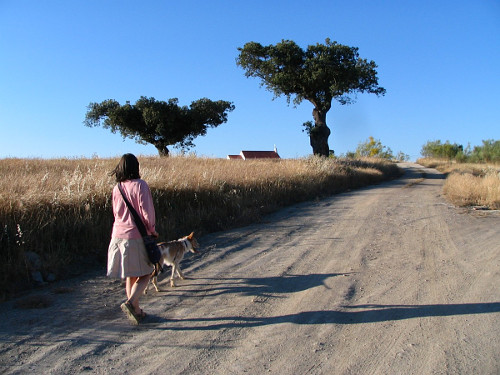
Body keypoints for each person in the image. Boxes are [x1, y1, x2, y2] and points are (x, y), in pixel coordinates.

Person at [107, 153, 158, 324]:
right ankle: (130, 303)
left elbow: (115, 213)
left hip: (117, 236)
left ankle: (136, 311)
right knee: (147, 272)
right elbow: (147, 211)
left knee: (130, 275)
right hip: (135, 236)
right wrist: (152, 229)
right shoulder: (140, 185)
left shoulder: (117, 188)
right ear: (136, 167)